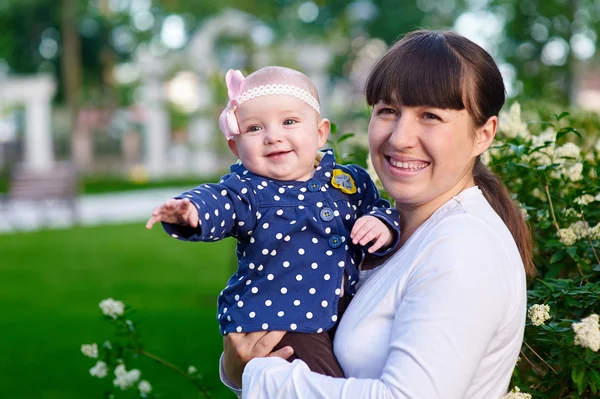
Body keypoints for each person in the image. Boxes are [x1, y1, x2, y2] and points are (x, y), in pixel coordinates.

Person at [220, 30, 536, 398]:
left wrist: (257, 374)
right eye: (388, 111)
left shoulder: (463, 248)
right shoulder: (391, 229)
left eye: (430, 116)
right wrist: (235, 366)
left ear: (483, 134)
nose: (400, 138)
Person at [146, 66, 401, 378]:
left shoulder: (348, 181)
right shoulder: (249, 191)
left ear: (320, 132)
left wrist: (382, 223)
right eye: (254, 129)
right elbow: (220, 201)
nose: (273, 136)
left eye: (289, 122)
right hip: (278, 325)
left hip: (336, 318)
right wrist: (192, 211)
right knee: (323, 384)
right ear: (235, 147)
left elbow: (381, 207)